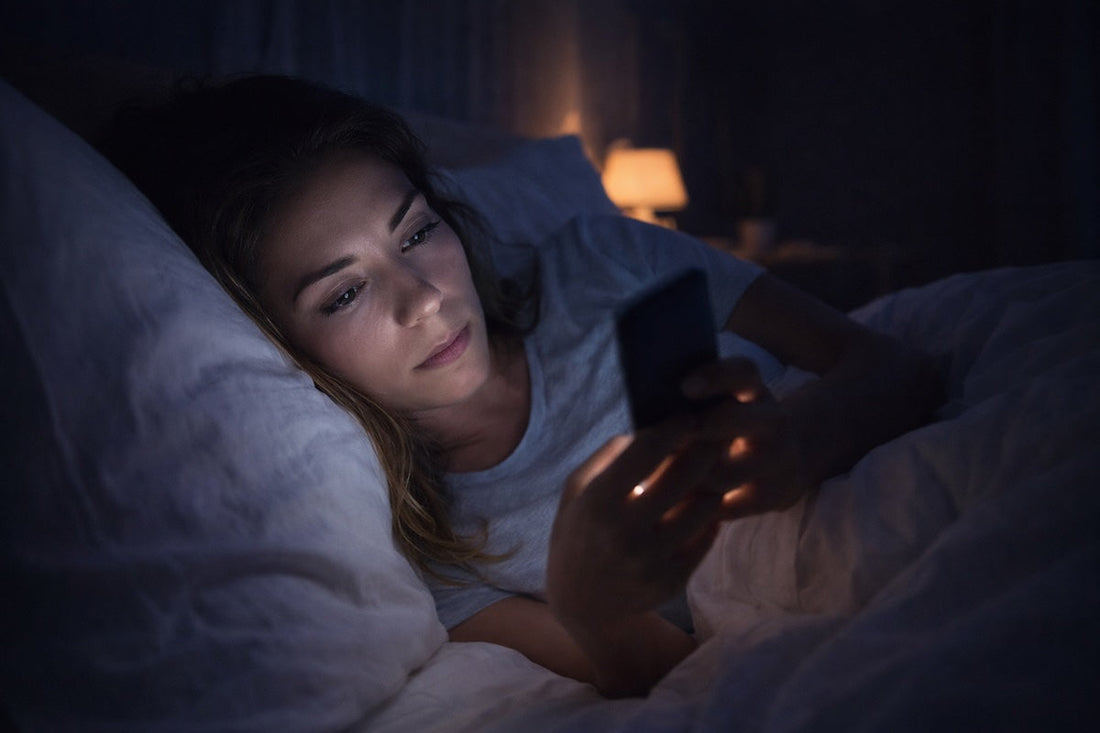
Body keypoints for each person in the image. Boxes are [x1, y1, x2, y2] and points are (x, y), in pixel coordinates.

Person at [100, 75, 943, 698]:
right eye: (345, 292)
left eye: (417, 230)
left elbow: (894, 367)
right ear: (280, 346)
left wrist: (799, 440)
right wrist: (591, 605)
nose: (425, 296)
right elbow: (689, 684)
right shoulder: (419, 537)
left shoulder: (608, 261)